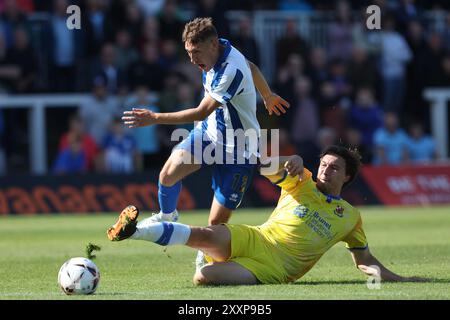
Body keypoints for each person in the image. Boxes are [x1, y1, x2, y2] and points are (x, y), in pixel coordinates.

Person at [106, 145, 425, 285]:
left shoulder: (350, 217)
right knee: (206, 232)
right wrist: (292, 157)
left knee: (203, 278)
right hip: (257, 236)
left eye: (334, 168)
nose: (326, 171)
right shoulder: (303, 183)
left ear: (348, 177)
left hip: (274, 268)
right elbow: (265, 167)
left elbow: (363, 261)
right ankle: (135, 231)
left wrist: (401, 279)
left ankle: (206, 259)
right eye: (324, 164)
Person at [121, 17, 288, 267]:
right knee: (168, 174)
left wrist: (155, 117)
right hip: (209, 134)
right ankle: (168, 216)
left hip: (239, 150)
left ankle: (205, 252)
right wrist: (267, 94)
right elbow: (251, 65)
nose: (192, 59)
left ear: (211, 45)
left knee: (214, 225)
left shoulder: (229, 70)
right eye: (188, 52)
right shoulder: (222, 48)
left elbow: (200, 112)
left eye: (196, 52)